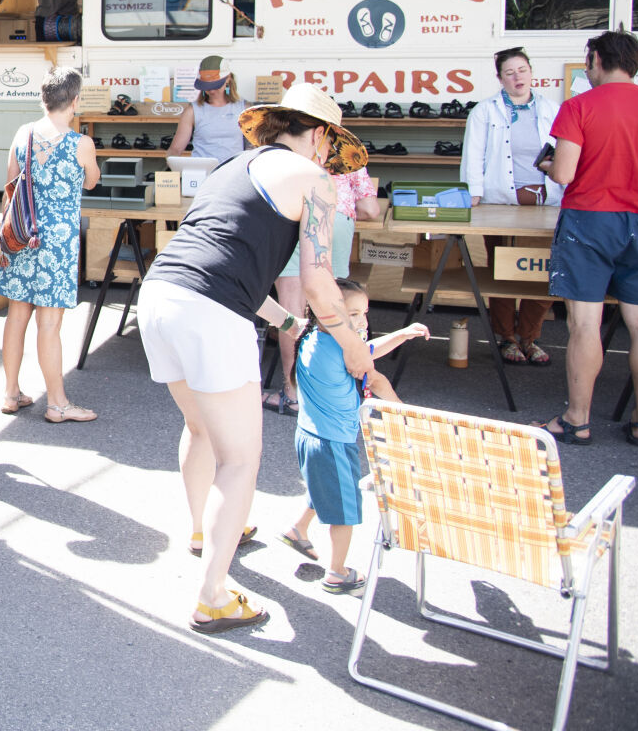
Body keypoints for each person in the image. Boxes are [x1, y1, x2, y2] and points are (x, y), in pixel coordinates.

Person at [137, 82, 370, 635]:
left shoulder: (233, 167)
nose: (326, 158)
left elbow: (221, 259)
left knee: (199, 427)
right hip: (210, 314)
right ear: (318, 134)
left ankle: (203, 531)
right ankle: (213, 594)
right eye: (327, 146)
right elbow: (317, 279)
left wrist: (285, 322)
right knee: (240, 460)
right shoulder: (314, 180)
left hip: (161, 294)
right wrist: (353, 345)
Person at [541, 31, 638, 447]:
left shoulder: (578, 106)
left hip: (589, 220)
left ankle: (577, 419)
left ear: (595, 59)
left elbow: (564, 174)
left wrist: (549, 163)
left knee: (585, 323)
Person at [277, 281, 428, 593]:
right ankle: (337, 572)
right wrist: (396, 403)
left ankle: (299, 529)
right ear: (328, 313)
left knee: (326, 486)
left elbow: (366, 350)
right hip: (334, 442)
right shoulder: (346, 349)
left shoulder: (313, 337)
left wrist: (402, 334)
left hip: (310, 436)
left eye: (365, 313)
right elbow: (373, 373)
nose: (363, 321)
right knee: (344, 509)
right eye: (354, 313)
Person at [0, 67, 100, 422]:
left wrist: (4, 241)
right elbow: (91, 183)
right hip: (57, 243)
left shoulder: (22, 134)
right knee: (50, 325)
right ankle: (57, 403)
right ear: (73, 101)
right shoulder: (81, 143)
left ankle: (10, 393)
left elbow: (9, 187)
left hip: (22, 236)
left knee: (16, 316)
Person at [462, 47, 563, 365]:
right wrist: (473, 192)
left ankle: (530, 338)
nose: (517, 77)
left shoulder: (552, 108)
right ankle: (506, 338)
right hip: (501, 202)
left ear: (532, 72)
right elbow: (473, 153)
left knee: (542, 270)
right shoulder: (485, 110)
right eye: (509, 72)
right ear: (499, 78)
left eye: (522, 70)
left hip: (546, 201)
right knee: (501, 269)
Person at [262, 164, 380, 413]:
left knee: (292, 310)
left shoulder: (291, 148)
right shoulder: (349, 152)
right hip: (339, 217)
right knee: (334, 304)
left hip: (294, 217)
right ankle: (332, 390)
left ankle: (294, 395)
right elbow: (371, 209)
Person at [168, 55, 245, 161]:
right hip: (203, 173)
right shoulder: (192, 111)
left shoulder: (243, 109)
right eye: (207, 87)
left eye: (216, 85)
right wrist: (173, 170)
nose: (211, 91)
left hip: (234, 173)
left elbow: (252, 147)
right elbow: (175, 150)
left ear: (228, 78)